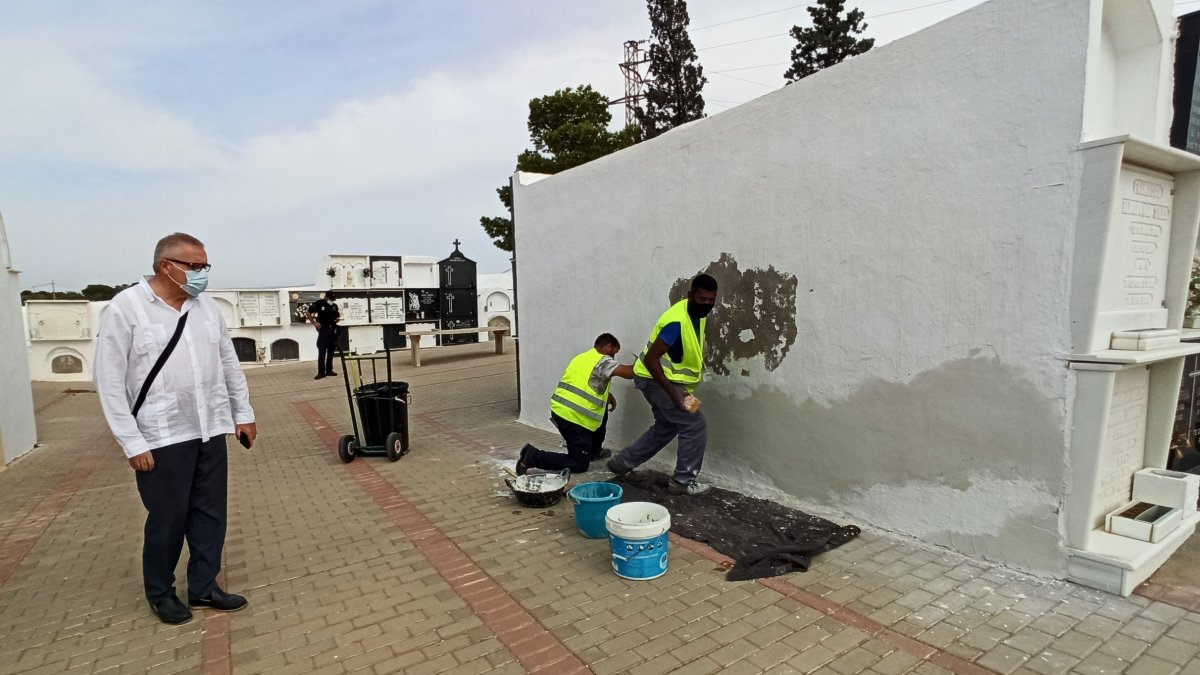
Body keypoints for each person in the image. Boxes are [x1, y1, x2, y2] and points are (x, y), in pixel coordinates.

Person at [95, 232, 257, 625]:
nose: (203, 273)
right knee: (167, 518)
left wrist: (243, 412)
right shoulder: (126, 308)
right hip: (161, 435)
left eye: (205, 266)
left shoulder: (207, 308)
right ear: (166, 266)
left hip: (209, 428)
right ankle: (161, 593)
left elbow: (228, 363)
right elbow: (109, 380)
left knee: (210, 514)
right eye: (195, 266)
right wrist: (131, 442)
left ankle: (203, 587)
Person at [607, 274, 718, 496]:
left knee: (668, 425)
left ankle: (622, 463)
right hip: (660, 382)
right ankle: (683, 481)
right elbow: (651, 359)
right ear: (691, 296)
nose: (706, 304)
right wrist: (674, 394)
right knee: (696, 424)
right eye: (702, 299)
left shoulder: (697, 314)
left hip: (666, 382)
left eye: (711, 300)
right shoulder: (676, 323)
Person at [516, 334, 635, 475]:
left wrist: (607, 395)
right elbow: (630, 372)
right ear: (609, 347)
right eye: (614, 352)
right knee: (579, 464)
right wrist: (645, 361)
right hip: (574, 418)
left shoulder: (582, 357)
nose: (614, 357)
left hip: (561, 410)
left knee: (602, 412)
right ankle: (532, 456)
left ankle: (594, 451)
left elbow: (585, 382)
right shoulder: (603, 361)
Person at [308, 291, 341, 379]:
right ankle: (321, 372)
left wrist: (337, 319)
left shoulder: (334, 306)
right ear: (326, 297)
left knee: (331, 351)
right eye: (330, 299)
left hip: (332, 330)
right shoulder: (319, 303)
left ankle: (329, 370)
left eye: (333, 299)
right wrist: (314, 323)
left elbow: (337, 317)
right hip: (323, 330)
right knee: (322, 351)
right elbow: (308, 313)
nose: (332, 301)